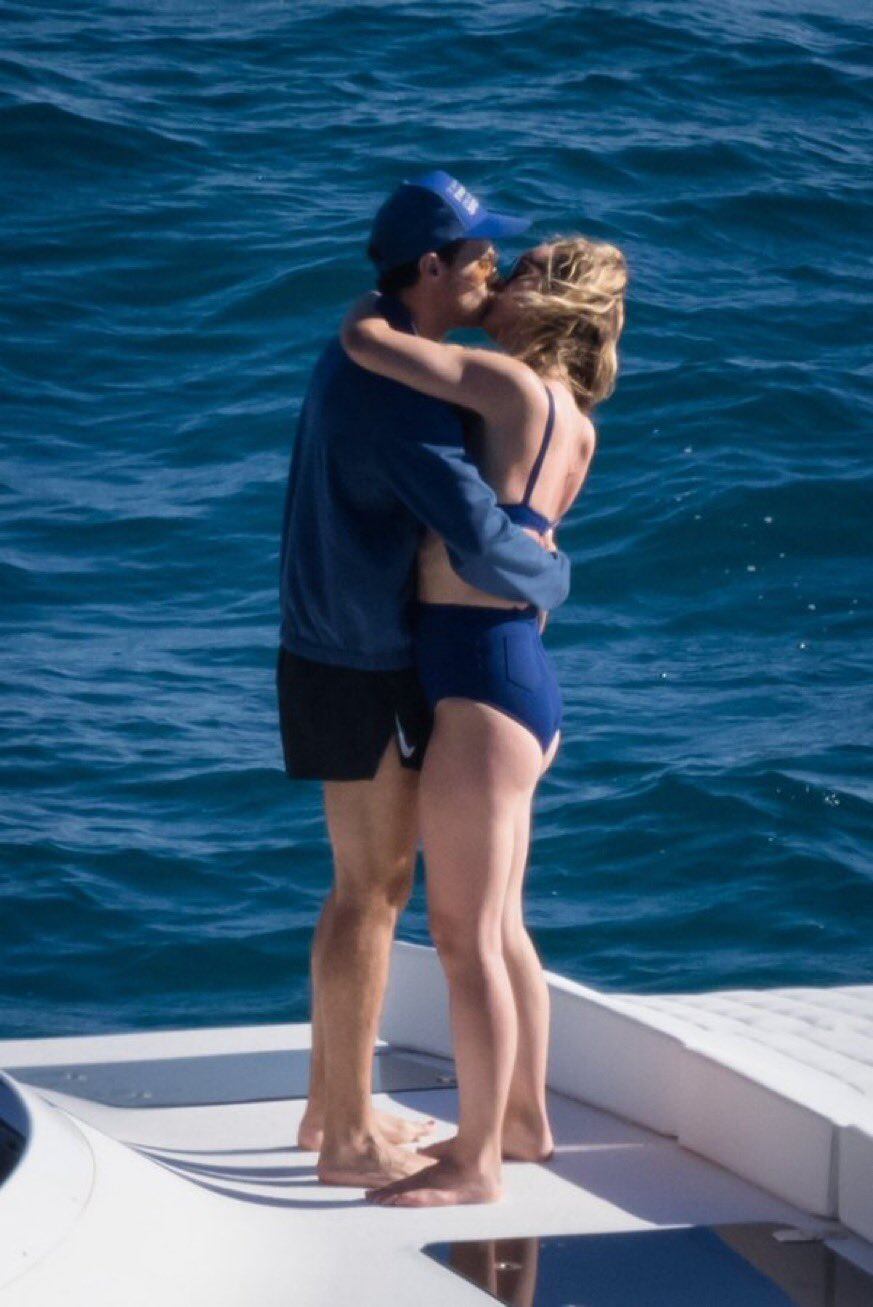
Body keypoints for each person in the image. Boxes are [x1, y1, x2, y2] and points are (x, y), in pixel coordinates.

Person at [277, 171, 571, 1189]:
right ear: (434, 267)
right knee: (373, 890)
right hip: (359, 654)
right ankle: (348, 1137)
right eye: (480, 254)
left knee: (368, 886)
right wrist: (557, 576)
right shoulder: (401, 393)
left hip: (342, 639)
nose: (494, 267)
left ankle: (332, 1104)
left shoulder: (377, 346)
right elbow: (482, 539)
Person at [339, 233, 628, 1206]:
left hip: (477, 679)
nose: (498, 277)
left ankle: (476, 1160)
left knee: (462, 936)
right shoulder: (575, 421)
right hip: (516, 674)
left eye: (522, 268)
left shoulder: (511, 388)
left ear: (550, 300)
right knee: (500, 929)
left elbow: (371, 347)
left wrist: (384, 294)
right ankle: (524, 1123)